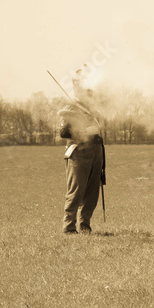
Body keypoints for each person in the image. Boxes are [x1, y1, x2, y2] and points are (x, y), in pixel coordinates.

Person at [57, 75, 104, 234]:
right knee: (76, 191)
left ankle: (85, 226)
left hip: (96, 151)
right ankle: (69, 227)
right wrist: (84, 131)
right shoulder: (70, 107)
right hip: (79, 152)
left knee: (92, 192)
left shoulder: (93, 109)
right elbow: (63, 132)